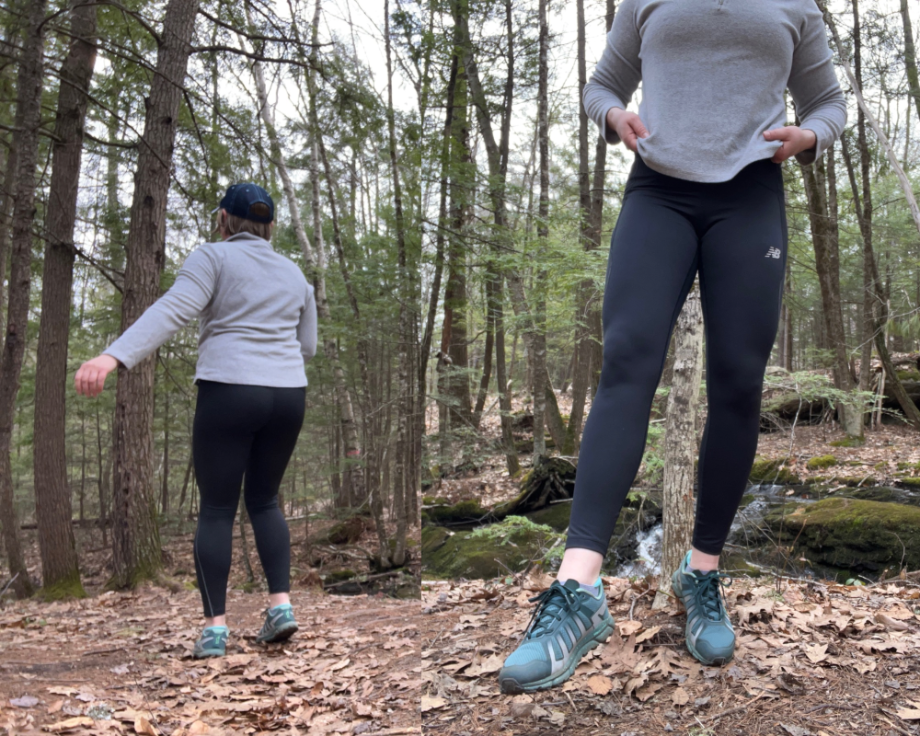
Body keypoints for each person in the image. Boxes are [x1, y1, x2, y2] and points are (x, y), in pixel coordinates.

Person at [498, 0, 846, 693]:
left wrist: (808, 136)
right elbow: (601, 84)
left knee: (741, 381)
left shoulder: (797, 7)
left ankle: (702, 575)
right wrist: (611, 116)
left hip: (750, 194)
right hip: (658, 191)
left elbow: (830, 102)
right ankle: (578, 592)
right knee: (627, 360)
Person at [75, 183, 318, 659]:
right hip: (289, 395)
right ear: (269, 226)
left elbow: (175, 309)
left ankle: (215, 630)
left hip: (229, 389)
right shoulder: (294, 273)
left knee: (217, 509)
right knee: (265, 500)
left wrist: (113, 356)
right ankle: (281, 608)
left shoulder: (212, 257)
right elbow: (306, 345)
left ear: (224, 219)